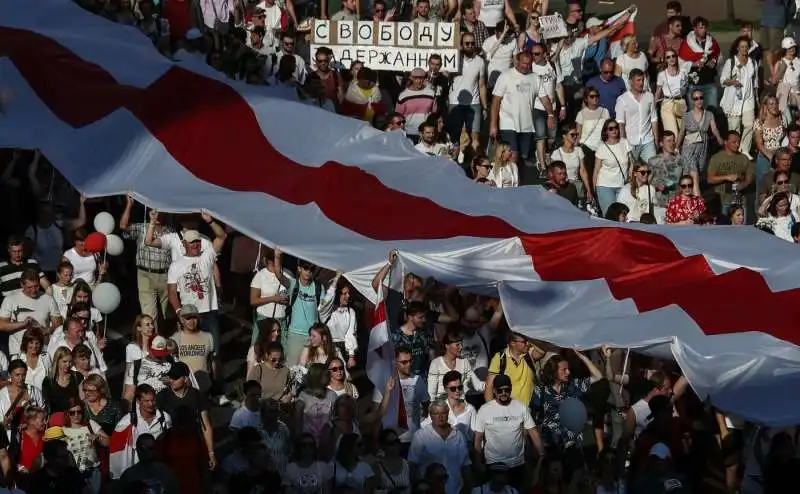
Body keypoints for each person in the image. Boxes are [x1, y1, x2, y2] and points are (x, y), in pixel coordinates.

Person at [473, 374, 544, 491]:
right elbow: (478, 438)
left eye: (507, 390)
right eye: (500, 390)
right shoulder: (485, 410)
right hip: (494, 465)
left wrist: (542, 453)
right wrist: (477, 461)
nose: (504, 393)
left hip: (517, 465)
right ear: (494, 391)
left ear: (511, 389)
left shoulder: (521, 407)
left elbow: (532, 431)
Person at [707, 130, 755, 214]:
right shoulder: (716, 158)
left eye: (738, 142)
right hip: (722, 201)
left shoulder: (744, 158)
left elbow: (749, 179)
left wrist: (744, 184)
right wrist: (726, 177)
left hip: (739, 201)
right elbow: (710, 179)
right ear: (725, 142)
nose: (737, 144)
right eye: (734, 142)